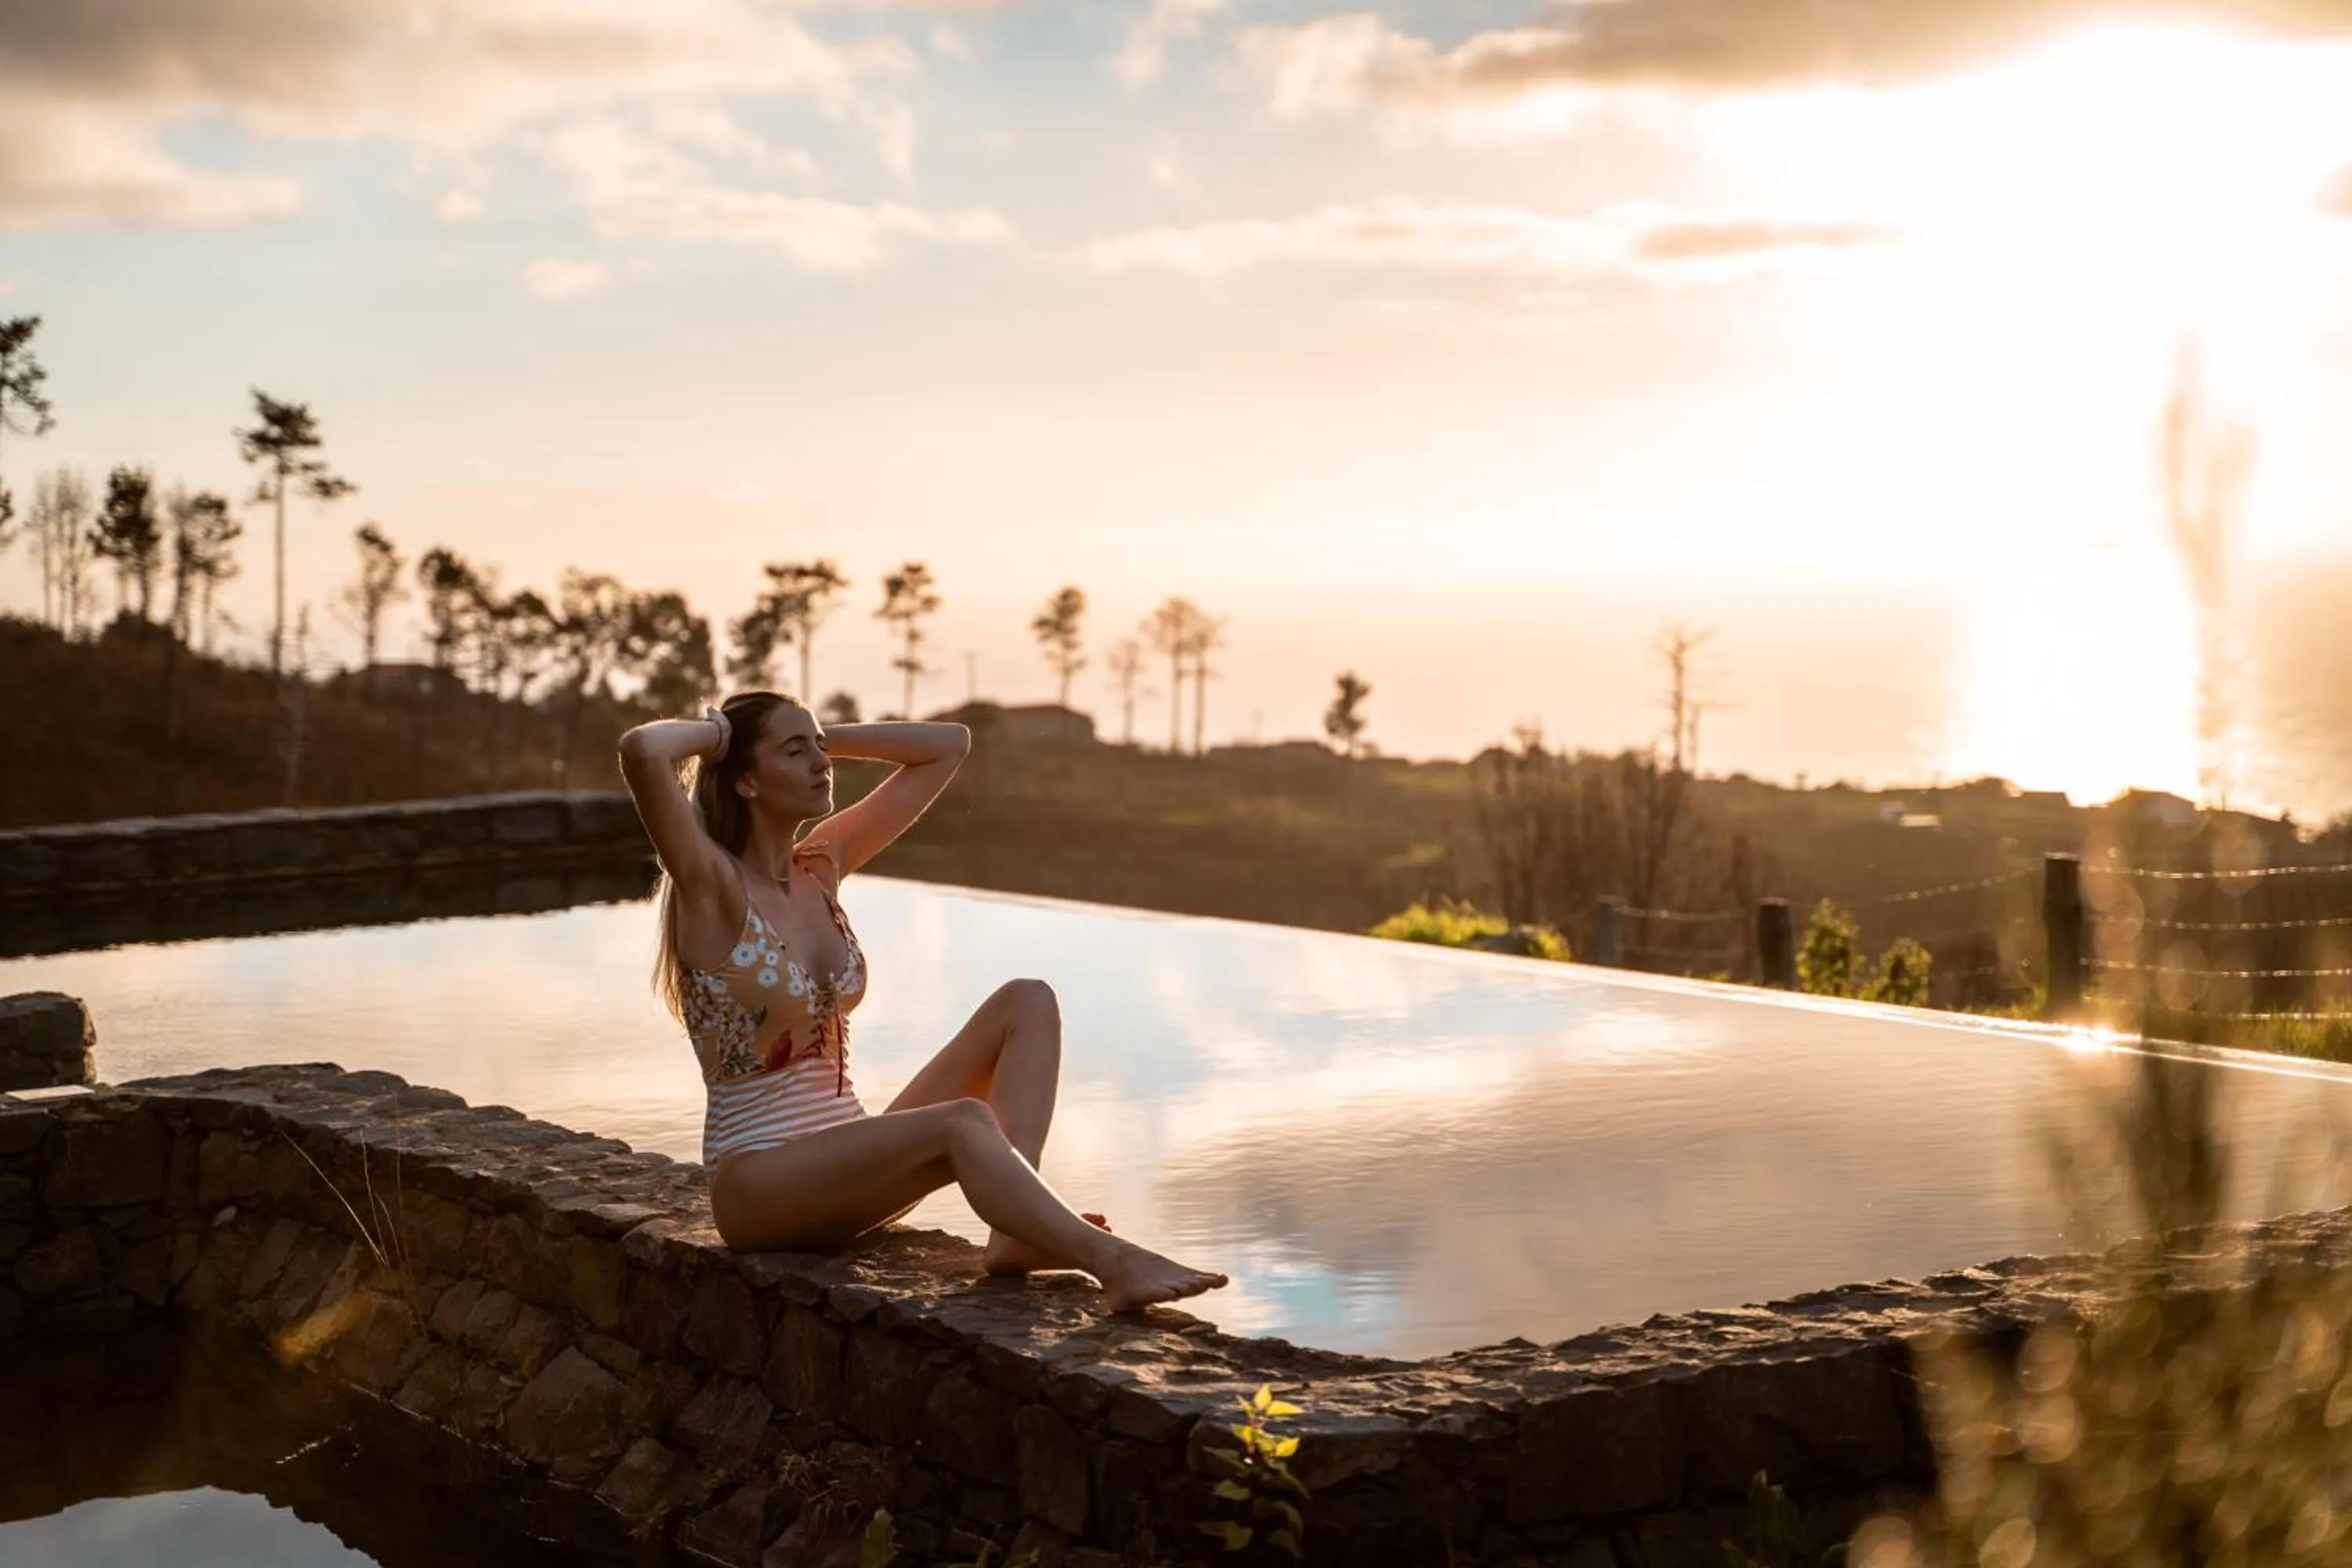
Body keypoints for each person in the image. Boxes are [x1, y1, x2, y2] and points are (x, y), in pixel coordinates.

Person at [616, 691, 1229, 1313]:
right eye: (795, 753)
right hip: (759, 1187)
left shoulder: (819, 868)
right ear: (746, 780)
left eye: (819, 749)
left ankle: (1015, 1234)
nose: (820, 764)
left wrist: (817, 736)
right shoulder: (712, 885)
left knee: (1028, 1002)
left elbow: (947, 747)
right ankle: (1114, 1263)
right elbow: (642, 750)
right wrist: (722, 734)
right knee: (963, 1121)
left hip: (850, 1163)